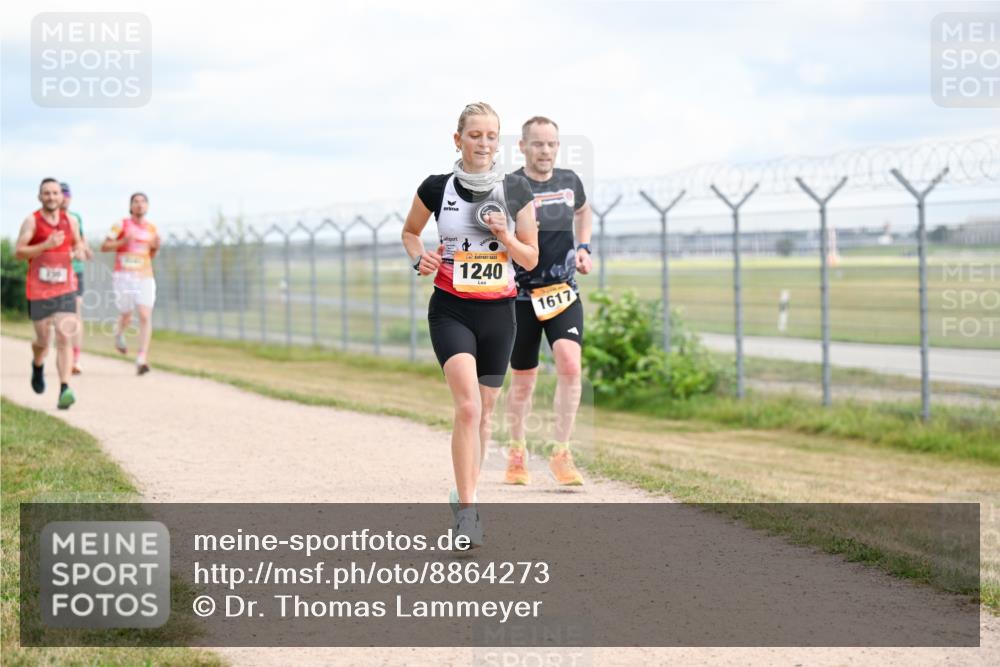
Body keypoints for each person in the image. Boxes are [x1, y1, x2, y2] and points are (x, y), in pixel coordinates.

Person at [401, 102, 539, 547]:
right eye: (474, 135)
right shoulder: (436, 187)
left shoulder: (516, 190)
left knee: (484, 414)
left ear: (499, 142)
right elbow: (410, 232)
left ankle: (467, 497)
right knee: (467, 408)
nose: (483, 143)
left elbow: (530, 258)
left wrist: (505, 236)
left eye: (491, 136)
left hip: (499, 313)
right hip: (451, 308)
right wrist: (418, 255)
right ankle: (468, 512)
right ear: (457, 139)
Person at [504, 116, 593, 486]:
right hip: (522, 296)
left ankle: (561, 453)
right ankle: (517, 451)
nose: (545, 151)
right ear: (523, 147)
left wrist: (584, 246)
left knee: (571, 366)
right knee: (524, 380)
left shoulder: (570, 181)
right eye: (537, 144)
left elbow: (583, 211)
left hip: (562, 291)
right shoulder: (510, 186)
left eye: (551, 144)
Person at [14, 178, 86, 409]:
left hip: (65, 287)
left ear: (61, 196)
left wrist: (77, 251)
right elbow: (19, 252)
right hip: (38, 289)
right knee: (44, 341)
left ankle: (64, 388)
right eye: (47, 193)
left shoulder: (71, 221)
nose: (52, 197)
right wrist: (45, 245)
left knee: (65, 335)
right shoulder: (31, 221)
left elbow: (78, 244)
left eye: (55, 193)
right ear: (40, 197)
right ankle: (37, 364)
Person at [101, 192, 160, 375]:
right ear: (131, 206)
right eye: (136, 201)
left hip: (144, 275)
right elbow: (104, 247)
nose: (140, 205)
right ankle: (119, 334)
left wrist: (156, 247)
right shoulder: (121, 225)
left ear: (148, 206)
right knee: (126, 315)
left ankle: (141, 358)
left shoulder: (152, 229)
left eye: (143, 202)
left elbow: (150, 255)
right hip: (123, 275)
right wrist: (122, 242)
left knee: (144, 314)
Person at [60, 182, 93, 375]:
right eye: (60, 194)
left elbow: (81, 239)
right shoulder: (46, 219)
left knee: (76, 314)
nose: (64, 198)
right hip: (56, 272)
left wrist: (84, 250)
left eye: (67, 194)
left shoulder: (76, 217)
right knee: (58, 318)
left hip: (75, 271)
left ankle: (76, 358)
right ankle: (62, 353)